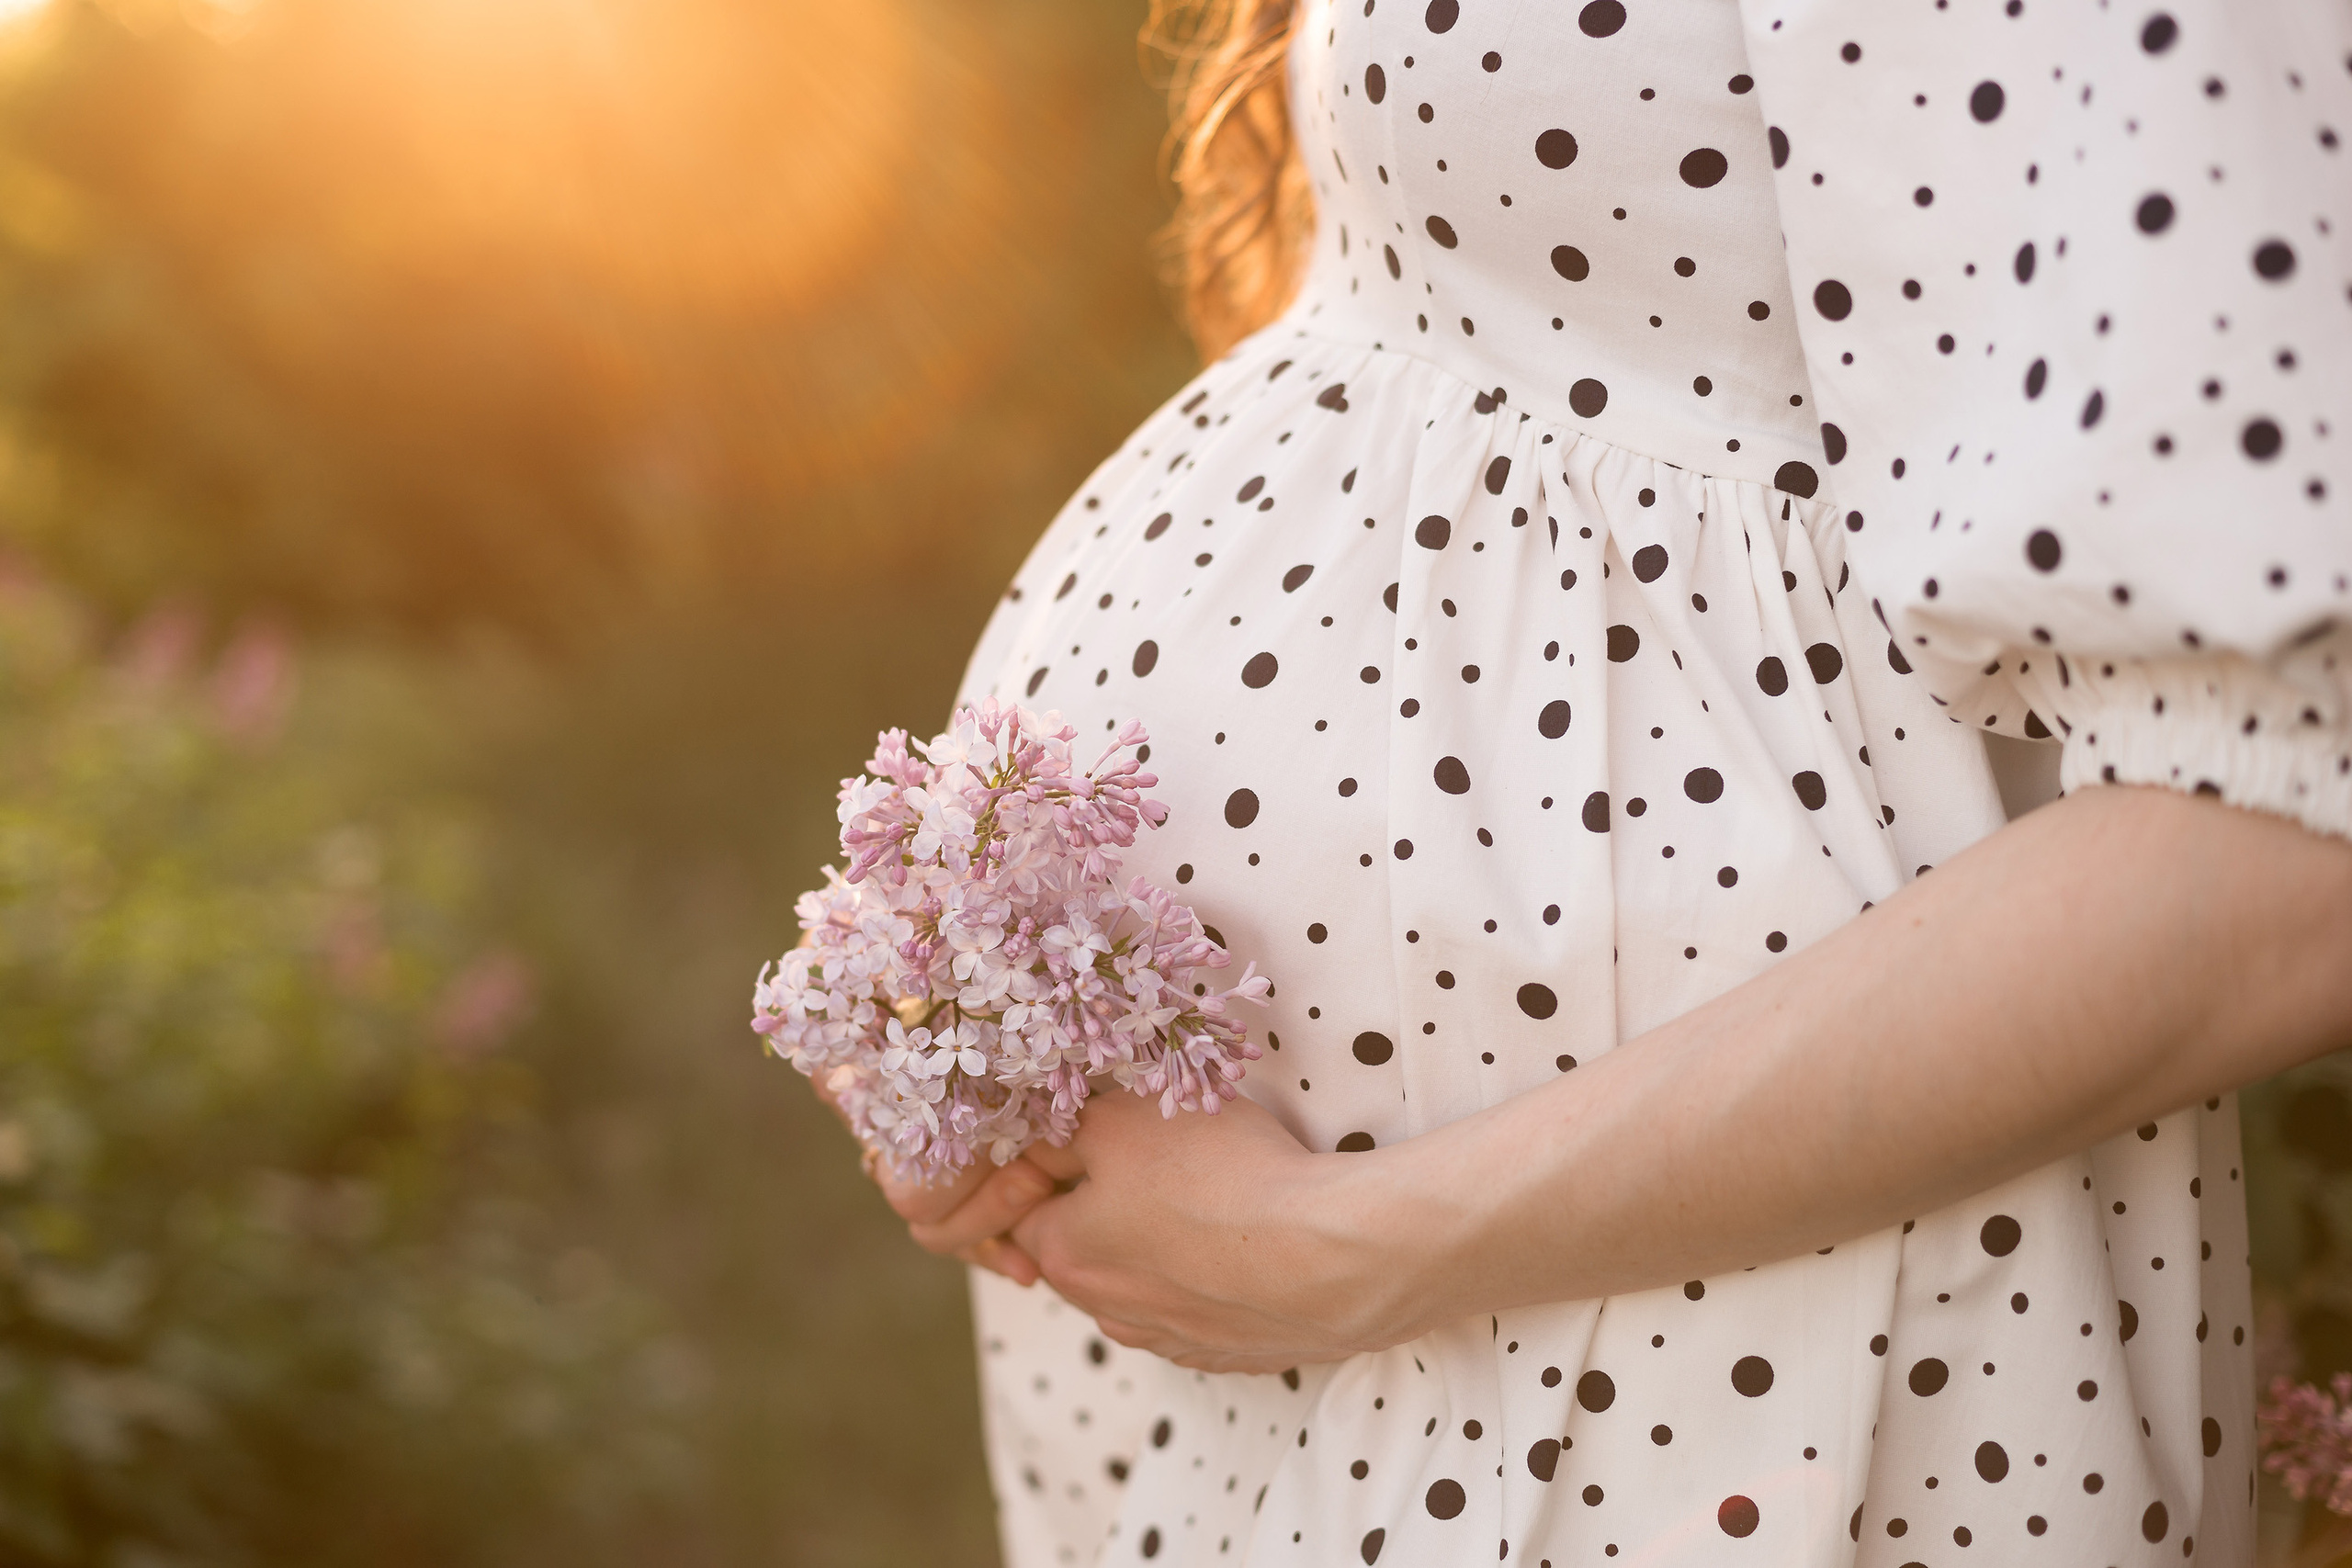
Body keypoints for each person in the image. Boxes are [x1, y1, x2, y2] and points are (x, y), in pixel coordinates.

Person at [834, 0, 2352, 1562]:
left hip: (1713, 1338)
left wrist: (1345, 1244)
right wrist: (976, 1025)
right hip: (1303, 1337)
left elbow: (2296, 849)